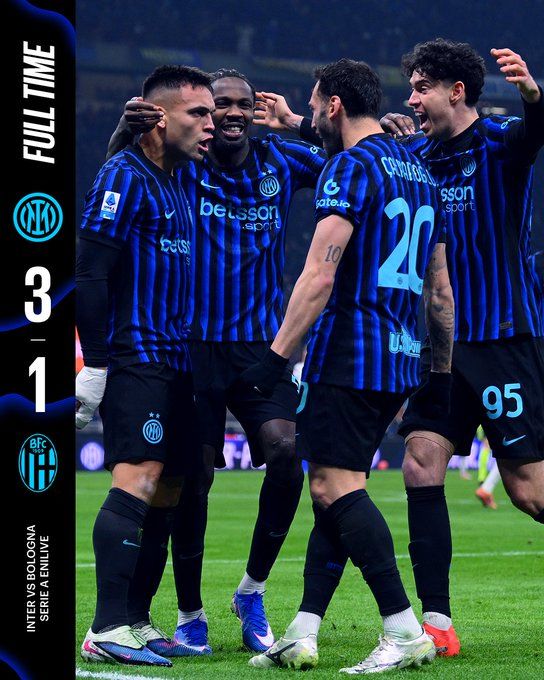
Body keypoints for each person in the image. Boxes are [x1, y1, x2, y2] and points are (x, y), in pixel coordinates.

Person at [256, 40, 544, 658]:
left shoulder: (502, 142)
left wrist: (534, 95)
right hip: (441, 346)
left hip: (503, 338)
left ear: (456, 92)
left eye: (420, 88)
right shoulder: (416, 156)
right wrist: (298, 124)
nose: (410, 100)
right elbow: (352, 155)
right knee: (419, 463)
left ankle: (398, 624)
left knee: (529, 491)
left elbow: (536, 130)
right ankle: (435, 620)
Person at [241, 57, 453, 674]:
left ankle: (402, 628)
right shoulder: (419, 172)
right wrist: (439, 374)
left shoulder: (349, 167)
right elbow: (440, 293)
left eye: (313, 107)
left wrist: (275, 360)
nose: (309, 117)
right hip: (401, 357)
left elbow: (318, 274)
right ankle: (302, 630)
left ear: (334, 104)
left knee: (335, 488)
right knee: (335, 490)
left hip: (349, 355)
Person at [107, 69, 327, 654]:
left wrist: (300, 124)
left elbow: (352, 161)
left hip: (262, 349)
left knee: (287, 453)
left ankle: (251, 589)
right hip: (192, 347)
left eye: (241, 104)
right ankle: (189, 613)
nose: (230, 113)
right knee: (192, 477)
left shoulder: (282, 160)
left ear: (255, 111)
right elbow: (129, 168)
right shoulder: (187, 160)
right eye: (218, 104)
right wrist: (124, 129)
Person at [76, 65, 214, 666]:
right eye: (198, 114)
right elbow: (89, 273)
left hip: (177, 362)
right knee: (137, 479)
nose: (210, 125)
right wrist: (96, 365)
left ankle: (135, 618)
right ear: (157, 117)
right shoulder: (123, 175)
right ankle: (105, 628)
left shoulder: (179, 179)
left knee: (169, 490)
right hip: (136, 357)